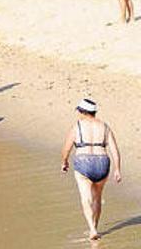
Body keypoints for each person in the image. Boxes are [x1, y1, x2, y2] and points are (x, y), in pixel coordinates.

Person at [60, 99, 122, 241]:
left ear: (83, 112)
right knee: (97, 197)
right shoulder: (105, 127)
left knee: (85, 197)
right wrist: (117, 169)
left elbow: (66, 148)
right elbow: (114, 149)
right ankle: (95, 225)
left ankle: (92, 229)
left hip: (83, 162)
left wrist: (64, 162)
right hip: (102, 162)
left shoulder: (77, 126)